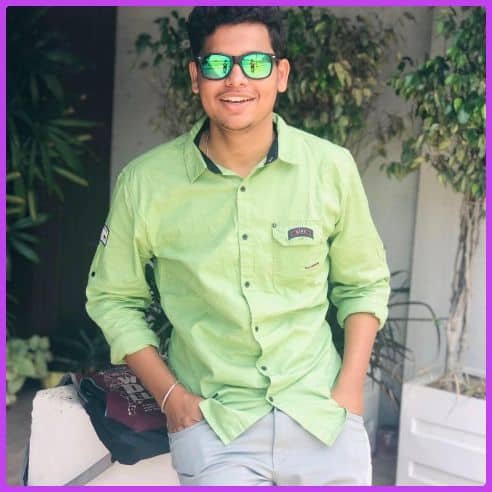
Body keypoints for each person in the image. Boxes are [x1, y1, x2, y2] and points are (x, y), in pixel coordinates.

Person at [86, 6, 390, 486]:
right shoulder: (145, 183)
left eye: (254, 63)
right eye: (217, 64)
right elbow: (112, 297)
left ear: (280, 74)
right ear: (196, 77)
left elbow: (364, 284)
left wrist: (349, 390)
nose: (236, 80)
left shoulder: (330, 168)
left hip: (323, 420)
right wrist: (172, 399)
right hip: (216, 427)